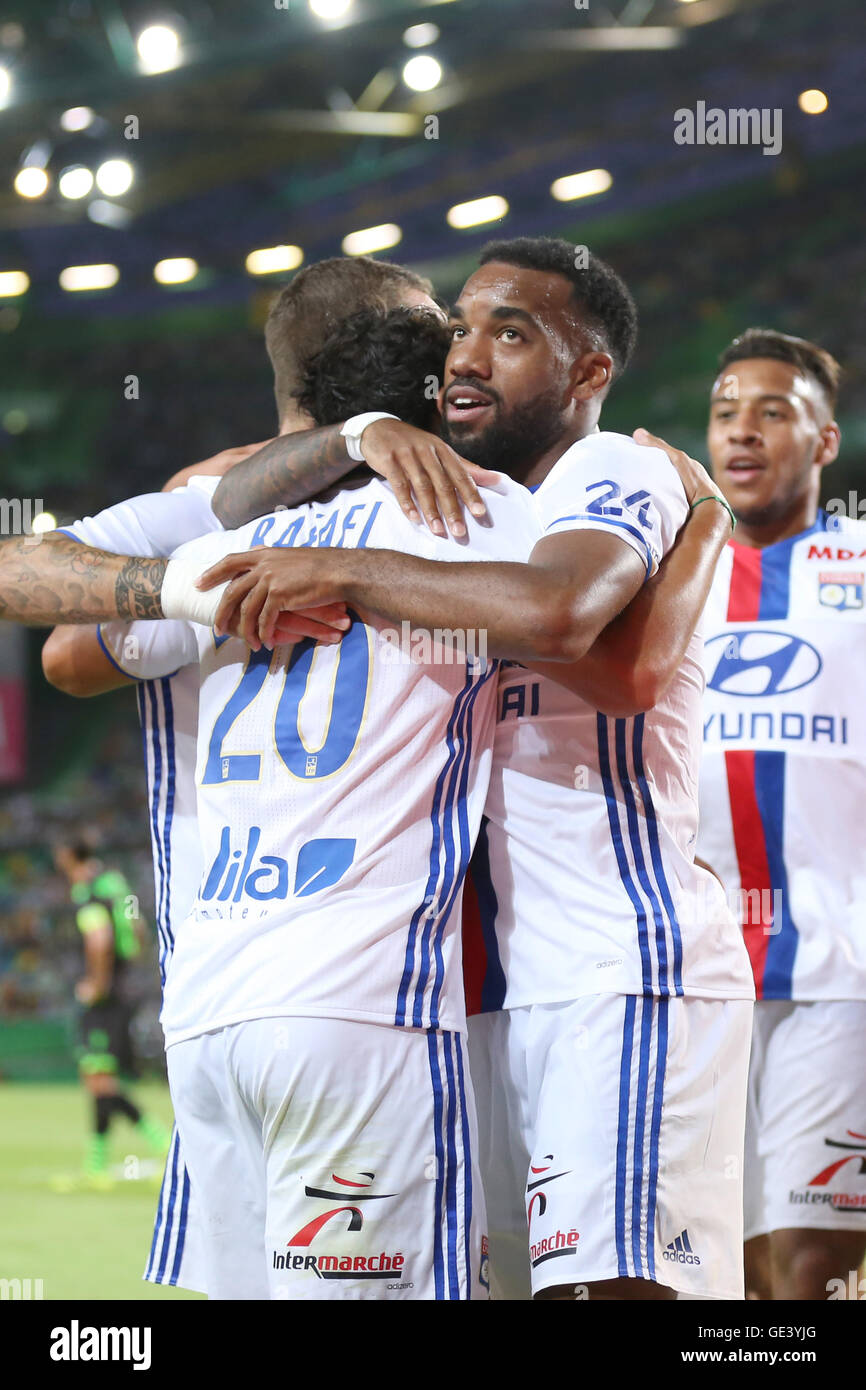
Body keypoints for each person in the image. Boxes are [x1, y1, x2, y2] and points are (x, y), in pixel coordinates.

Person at [192, 236, 756, 1301]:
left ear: (589, 373)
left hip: (613, 965)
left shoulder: (609, 469)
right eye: (460, 326)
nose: (467, 353)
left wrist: (345, 569)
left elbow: (569, 626)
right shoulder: (455, 514)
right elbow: (192, 511)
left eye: (511, 333)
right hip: (483, 995)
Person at [38, 256, 458, 1294]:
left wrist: (188, 589)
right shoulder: (463, 510)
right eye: (434, 334)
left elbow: (66, 653)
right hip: (366, 1000)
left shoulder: (207, 511)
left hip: (213, 1005)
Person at [696, 328, 866, 1301]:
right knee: (740, 1271)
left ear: (823, 441)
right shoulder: (669, 579)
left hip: (836, 963)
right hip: (700, 979)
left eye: (770, 411)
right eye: (724, 413)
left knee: (807, 1258)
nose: (741, 432)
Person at [54, 841, 168, 1184]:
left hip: (106, 997)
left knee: (99, 1078)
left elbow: (99, 939)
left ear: (71, 856)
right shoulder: (114, 884)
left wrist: (97, 983)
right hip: (124, 988)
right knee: (99, 1078)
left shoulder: (88, 892)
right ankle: (97, 1163)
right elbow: (137, 929)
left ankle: (160, 1143)